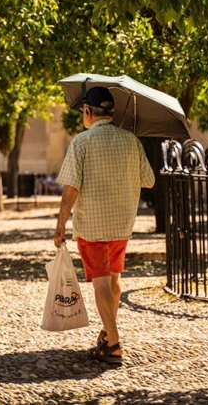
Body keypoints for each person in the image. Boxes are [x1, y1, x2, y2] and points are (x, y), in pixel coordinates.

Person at [53, 86, 155, 364]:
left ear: (88, 112)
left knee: (100, 282)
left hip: (92, 225)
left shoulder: (82, 142)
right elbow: (150, 181)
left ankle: (114, 344)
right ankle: (108, 334)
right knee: (114, 281)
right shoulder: (131, 140)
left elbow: (71, 188)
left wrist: (61, 224)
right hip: (122, 224)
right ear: (110, 112)